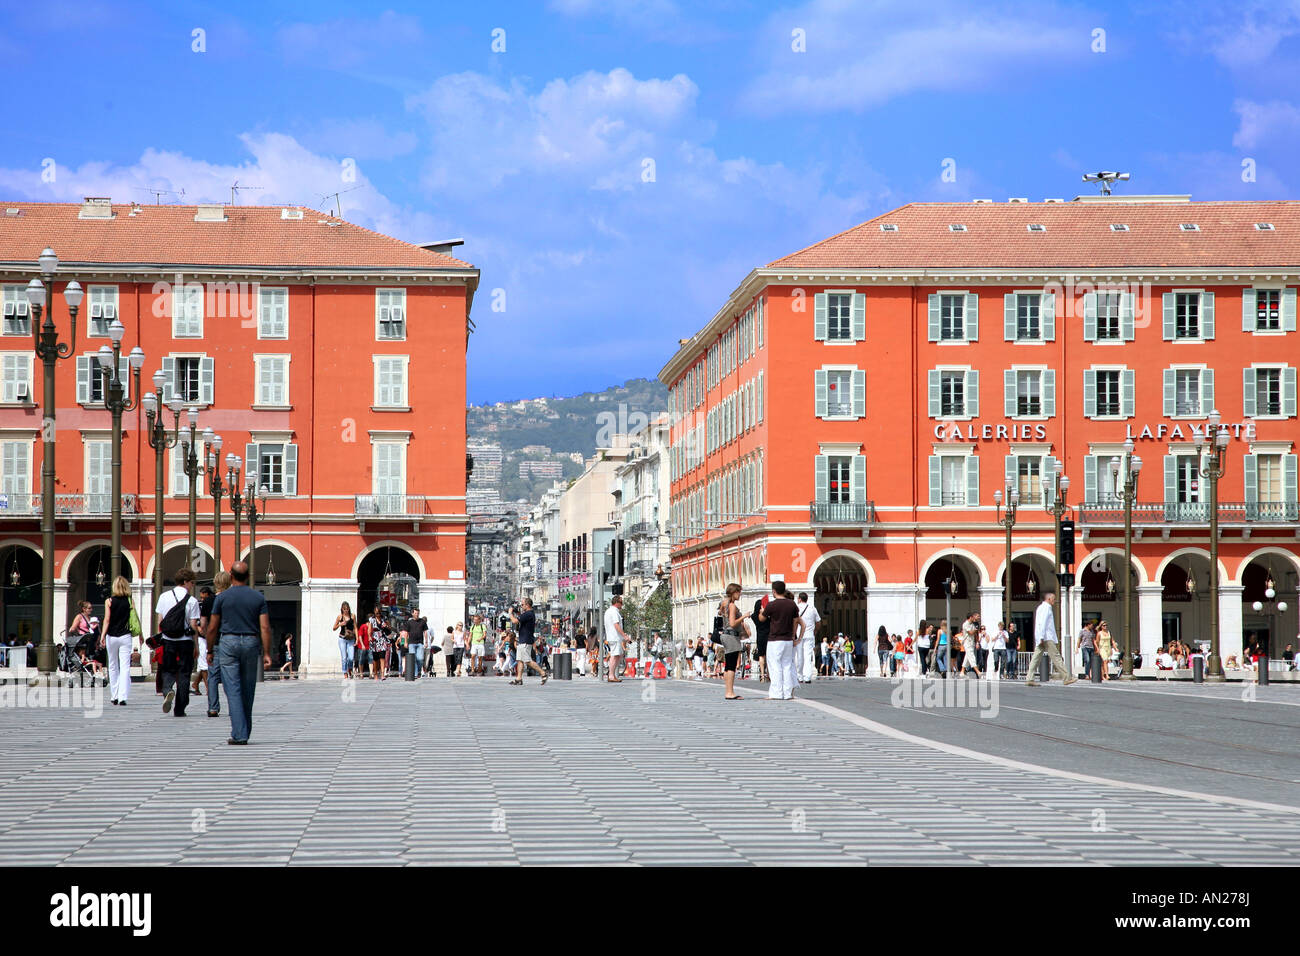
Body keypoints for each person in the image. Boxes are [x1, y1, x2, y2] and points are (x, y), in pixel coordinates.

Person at [206, 561, 272, 746]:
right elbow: (265, 627)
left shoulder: (222, 598)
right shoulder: (258, 598)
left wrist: (210, 650)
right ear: (248, 576)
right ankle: (244, 731)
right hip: (251, 642)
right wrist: (266, 653)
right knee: (248, 689)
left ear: (231, 576)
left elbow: (212, 627)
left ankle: (240, 733)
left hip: (228, 642)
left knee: (233, 690)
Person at [155, 568, 202, 717]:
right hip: (185, 641)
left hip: (168, 639)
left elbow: (160, 621)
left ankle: (168, 689)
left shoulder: (164, 596)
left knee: (168, 669)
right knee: (184, 674)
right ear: (186, 582)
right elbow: (194, 625)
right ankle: (180, 708)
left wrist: (161, 637)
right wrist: (196, 645)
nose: (193, 585)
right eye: (192, 582)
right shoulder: (192, 600)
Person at [760, 581, 802, 700]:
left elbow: (761, 619)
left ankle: (776, 693)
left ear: (774, 591)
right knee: (787, 666)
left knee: (775, 666)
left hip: (775, 639)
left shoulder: (771, 605)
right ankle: (787, 693)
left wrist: (762, 611)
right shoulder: (792, 605)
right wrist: (793, 636)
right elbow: (795, 622)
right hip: (788, 639)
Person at [1025, 593, 1076, 687]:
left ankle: (1029, 678)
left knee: (1036, 658)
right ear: (1048, 598)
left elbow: (1039, 623)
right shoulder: (1046, 608)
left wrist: (1039, 637)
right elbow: (1043, 622)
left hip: (1042, 636)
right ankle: (1066, 677)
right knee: (1056, 657)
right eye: (1053, 599)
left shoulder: (1040, 607)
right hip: (1047, 637)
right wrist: (1041, 636)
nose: (1054, 600)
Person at [102, 576, 136, 706]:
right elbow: (134, 618)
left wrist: (102, 636)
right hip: (125, 636)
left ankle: (114, 695)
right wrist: (140, 635)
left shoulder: (109, 601)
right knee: (125, 667)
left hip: (112, 636)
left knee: (112, 665)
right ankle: (123, 697)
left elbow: (107, 620)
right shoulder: (130, 601)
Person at [718, 583, 750, 700]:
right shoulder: (731, 605)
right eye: (739, 592)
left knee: (728, 665)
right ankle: (730, 692)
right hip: (731, 637)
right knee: (731, 665)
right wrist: (744, 616)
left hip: (726, 636)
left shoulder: (724, 603)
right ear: (734, 592)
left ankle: (728, 691)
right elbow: (732, 623)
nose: (740, 594)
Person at [510, 599, 546, 685]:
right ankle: (519, 678)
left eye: (522, 605)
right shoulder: (528, 614)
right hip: (522, 639)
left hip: (526, 640)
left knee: (527, 661)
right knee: (520, 660)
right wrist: (518, 613)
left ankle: (543, 673)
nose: (521, 607)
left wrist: (510, 613)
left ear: (527, 605)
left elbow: (515, 621)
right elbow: (521, 618)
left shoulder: (528, 614)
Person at [192, 586, 215, 699]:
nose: (202, 599)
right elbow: (195, 619)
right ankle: (208, 688)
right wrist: (199, 628)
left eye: (203, 597)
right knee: (204, 664)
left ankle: (196, 684)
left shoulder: (211, 603)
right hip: (202, 637)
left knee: (204, 664)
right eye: (201, 597)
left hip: (208, 636)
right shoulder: (200, 605)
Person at [603, 595, 629, 683]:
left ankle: (612, 674)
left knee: (618, 655)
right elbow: (616, 625)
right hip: (615, 636)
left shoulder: (609, 611)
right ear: (617, 603)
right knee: (615, 656)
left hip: (613, 636)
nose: (622, 604)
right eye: (621, 602)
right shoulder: (614, 612)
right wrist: (624, 635)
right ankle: (611, 675)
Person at [796, 593, 820, 683]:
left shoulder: (796, 608)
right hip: (809, 634)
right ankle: (807, 677)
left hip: (799, 635)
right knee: (808, 655)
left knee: (799, 656)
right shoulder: (812, 609)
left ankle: (799, 676)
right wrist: (815, 630)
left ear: (799, 599)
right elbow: (818, 622)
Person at [334, 602, 357, 679]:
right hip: (342, 638)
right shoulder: (340, 617)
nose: (346, 611)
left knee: (351, 657)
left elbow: (355, 628)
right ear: (342, 609)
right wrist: (340, 624)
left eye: (347, 609)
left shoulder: (353, 616)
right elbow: (334, 628)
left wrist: (357, 639)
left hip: (350, 639)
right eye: (344, 609)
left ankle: (350, 668)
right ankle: (345, 672)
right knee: (344, 657)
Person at [752, 594, 770, 684]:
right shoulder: (767, 616)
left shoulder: (753, 616)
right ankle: (768, 674)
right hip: (769, 636)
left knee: (761, 656)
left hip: (760, 636)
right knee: (768, 656)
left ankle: (762, 675)